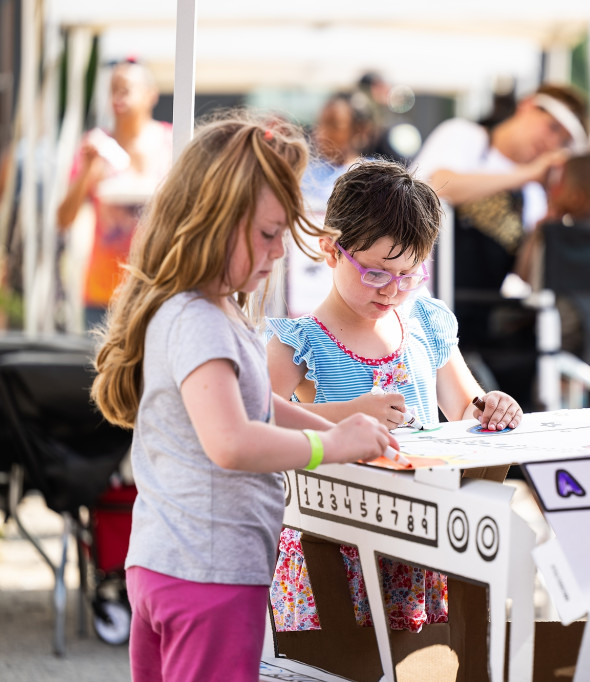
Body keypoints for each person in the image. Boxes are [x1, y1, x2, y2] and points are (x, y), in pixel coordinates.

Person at [90, 111, 397, 682]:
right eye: (267, 233)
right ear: (212, 220)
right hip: (211, 574)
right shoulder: (202, 320)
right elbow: (231, 442)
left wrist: (337, 433)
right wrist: (324, 449)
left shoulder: (197, 309)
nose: (279, 252)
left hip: (164, 565)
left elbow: (254, 404)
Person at [264, 159, 523, 633]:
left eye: (409, 275)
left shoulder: (423, 320)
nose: (392, 291)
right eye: (377, 274)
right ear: (330, 250)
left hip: (420, 536)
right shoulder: (300, 341)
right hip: (334, 541)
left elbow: (466, 404)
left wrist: (492, 406)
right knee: (344, 658)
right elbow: (255, 421)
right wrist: (352, 415)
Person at [411, 83, 590, 406]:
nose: (551, 143)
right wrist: (525, 174)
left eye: (563, 141)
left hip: (475, 322)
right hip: (417, 305)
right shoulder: (465, 136)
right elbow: (437, 184)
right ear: (527, 106)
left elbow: (521, 275)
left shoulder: (532, 194)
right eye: (552, 127)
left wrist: (546, 224)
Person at [57, 58, 174, 330]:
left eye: (125, 89)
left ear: (150, 94)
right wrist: (86, 171)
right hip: (103, 295)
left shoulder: (170, 143)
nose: (117, 98)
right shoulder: (96, 147)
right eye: (113, 90)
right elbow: (63, 220)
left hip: (157, 289)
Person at [286, 93, 374, 316]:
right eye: (320, 123)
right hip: (301, 289)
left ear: (359, 130)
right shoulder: (301, 173)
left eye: (334, 124)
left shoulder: (375, 177)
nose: (321, 133)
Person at [514, 152, 590, 288]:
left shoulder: (563, 242)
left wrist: (539, 233)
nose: (550, 190)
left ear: (576, 198)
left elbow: (525, 276)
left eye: (558, 183)